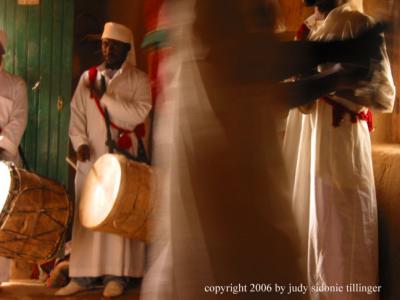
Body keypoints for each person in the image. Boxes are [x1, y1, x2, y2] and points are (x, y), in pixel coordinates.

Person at [139, 1, 388, 299]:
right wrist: (342, 53)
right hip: (222, 165)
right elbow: (247, 62)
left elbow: (272, 90)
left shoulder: (352, 20)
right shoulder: (212, 12)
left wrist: (337, 76)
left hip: (249, 165)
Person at [283, 1, 395, 299]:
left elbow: (385, 96)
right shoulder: (307, 29)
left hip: (340, 147)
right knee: (310, 235)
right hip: (307, 144)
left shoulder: (358, 24)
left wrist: (332, 85)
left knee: (342, 238)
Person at [56, 22, 152, 298]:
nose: (108, 49)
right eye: (105, 44)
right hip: (93, 161)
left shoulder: (139, 80)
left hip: (123, 162)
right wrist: (81, 143)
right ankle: (82, 276)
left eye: (114, 45)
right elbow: (77, 116)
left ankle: (116, 276)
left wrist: (106, 99)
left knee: (119, 217)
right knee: (88, 217)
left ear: (126, 48)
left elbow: (137, 115)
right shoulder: (88, 77)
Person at [0, 29, 28, 285]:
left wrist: (1, 146)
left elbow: (18, 120)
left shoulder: (15, 85)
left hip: (4, 162)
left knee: (2, 222)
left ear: (2, 54)